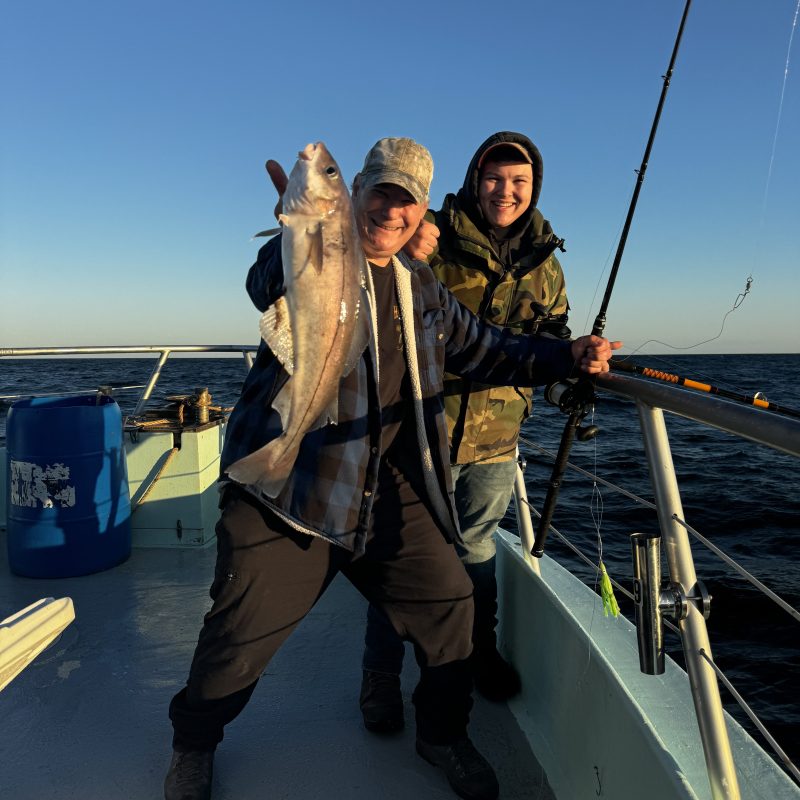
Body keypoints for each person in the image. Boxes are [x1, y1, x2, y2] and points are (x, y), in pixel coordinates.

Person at [164, 136, 620, 800]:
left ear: (422, 210)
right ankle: (193, 744)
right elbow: (265, 282)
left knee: (453, 602)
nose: (391, 210)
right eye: (380, 192)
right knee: (238, 635)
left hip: (379, 485)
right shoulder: (315, 250)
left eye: (407, 201)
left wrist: (567, 355)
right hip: (291, 484)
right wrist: (298, 229)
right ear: (354, 194)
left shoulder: (421, 286)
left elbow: (487, 347)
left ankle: (442, 733)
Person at [359, 132, 572, 734]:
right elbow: (376, 285)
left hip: (496, 442)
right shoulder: (428, 234)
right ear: (475, 180)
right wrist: (408, 251)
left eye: (519, 181)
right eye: (494, 178)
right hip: (417, 434)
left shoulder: (546, 263)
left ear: (534, 188)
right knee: (398, 559)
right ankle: (379, 675)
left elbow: (550, 338)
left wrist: (569, 369)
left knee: (478, 554)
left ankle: (477, 653)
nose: (506, 191)